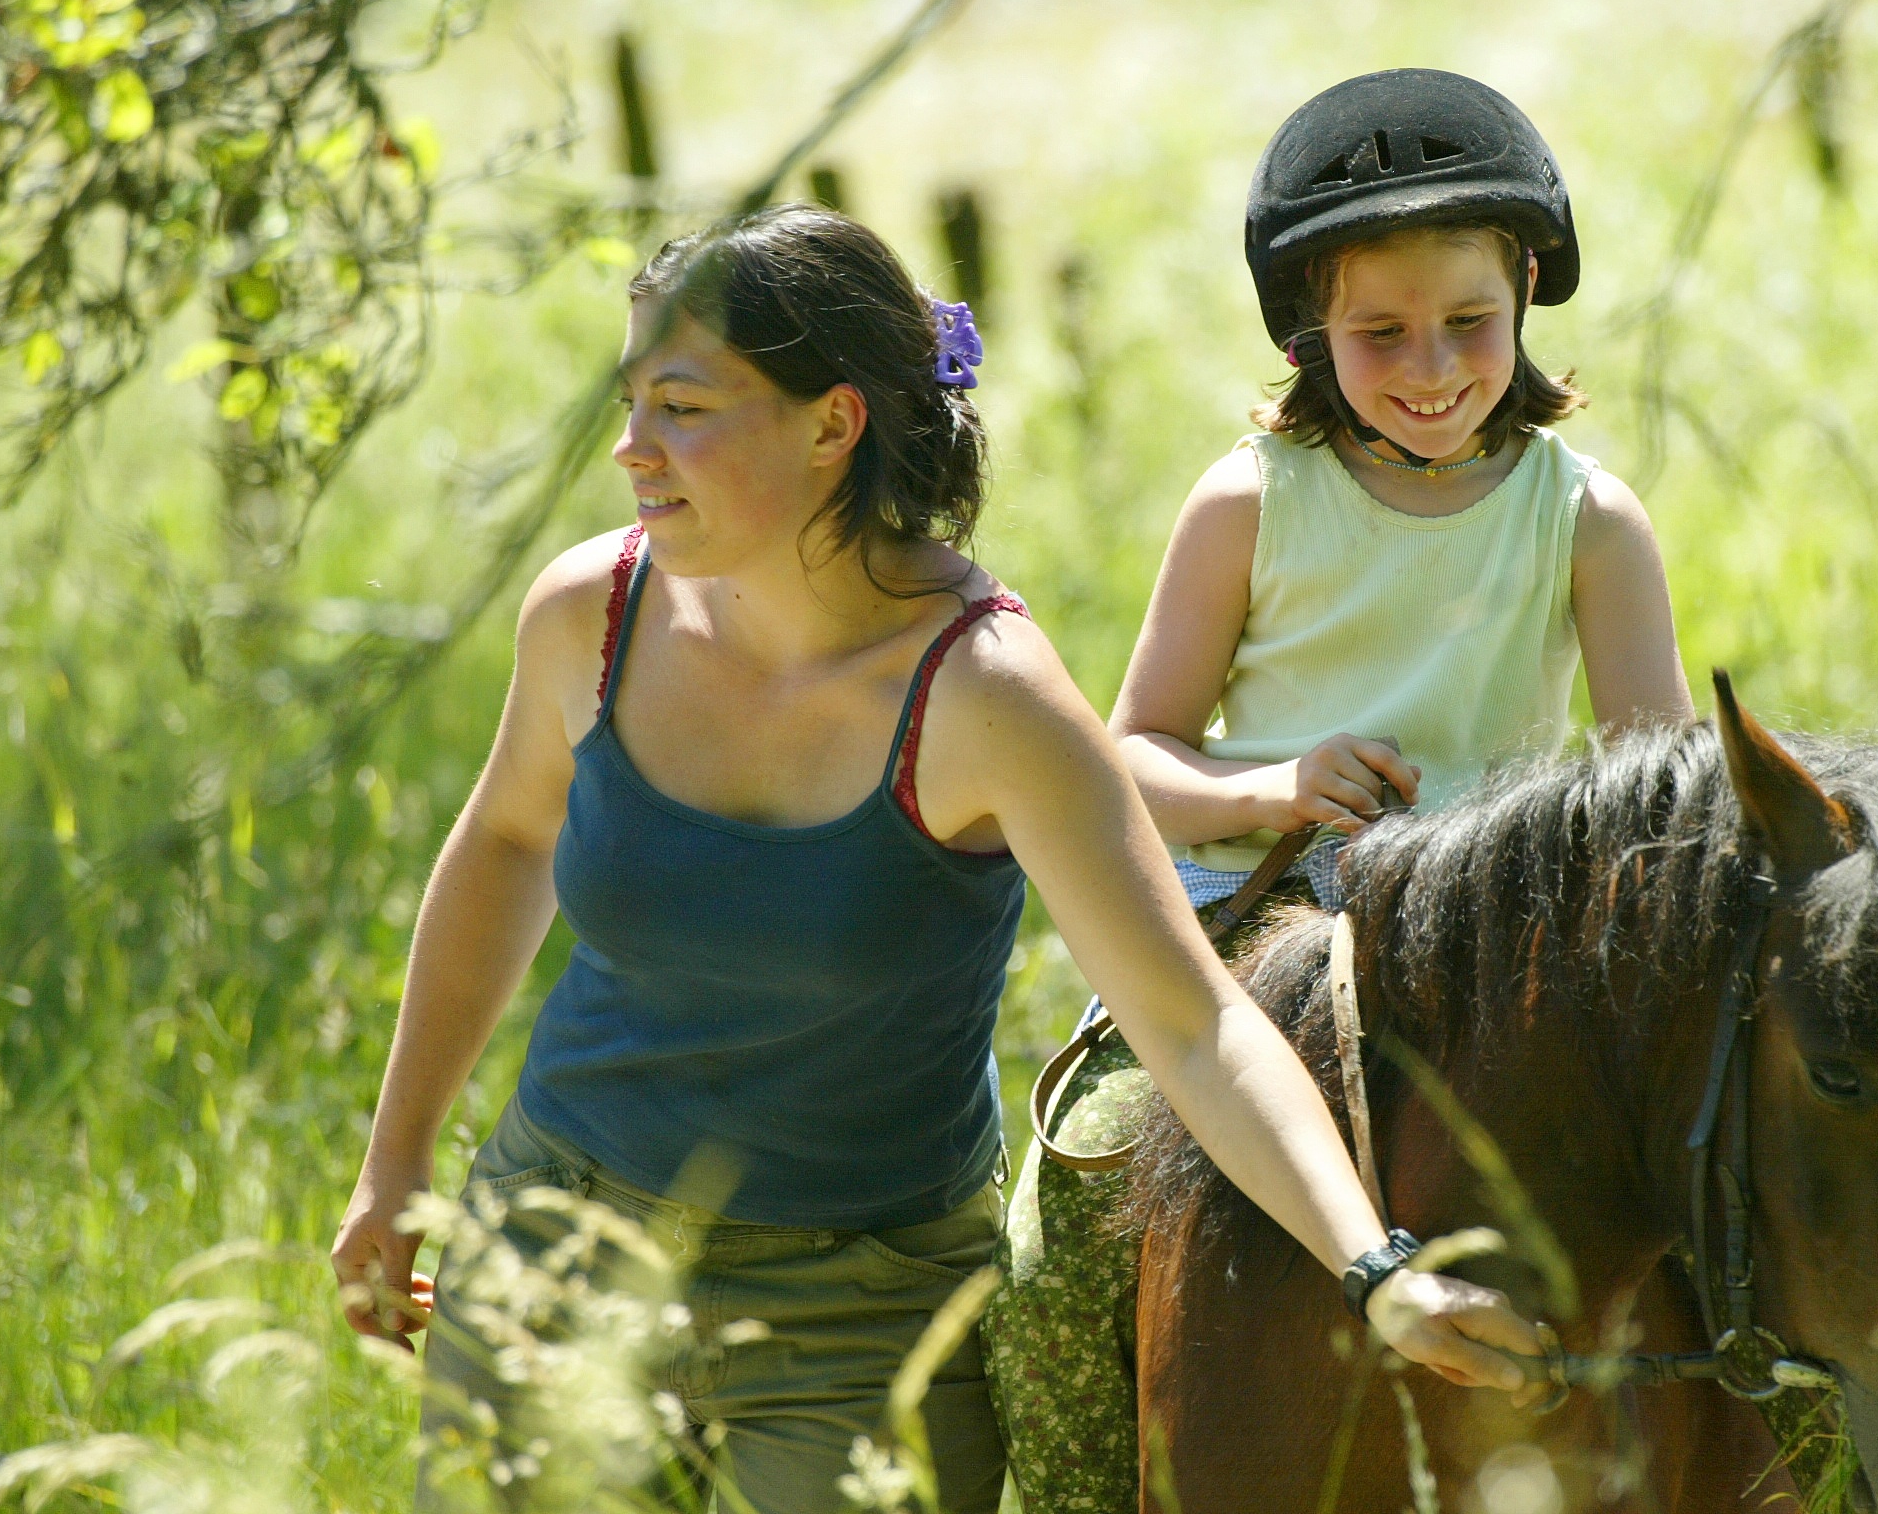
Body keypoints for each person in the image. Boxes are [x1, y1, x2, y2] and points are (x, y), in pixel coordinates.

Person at [327, 204, 1539, 1514]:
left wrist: (1378, 1269)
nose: (632, 451)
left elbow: (1193, 1027)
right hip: (553, 1242)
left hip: (860, 1311)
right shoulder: (590, 611)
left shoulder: (986, 694)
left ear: (832, 425)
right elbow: (509, 838)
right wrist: (396, 1165)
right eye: (631, 404)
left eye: (681, 407)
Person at [985, 69, 1694, 1512]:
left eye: (1467, 324)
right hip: (1258, 941)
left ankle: (1806, 1455)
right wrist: (1275, 787)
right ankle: (1075, 1488)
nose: (1429, 365)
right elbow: (1134, 757)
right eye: (1379, 333)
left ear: (1530, 295)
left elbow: (1660, 797)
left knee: (1733, 1179)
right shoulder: (1252, 501)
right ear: (1312, 326)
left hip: (1509, 953)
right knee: (1077, 1203)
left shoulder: (1589, 522)